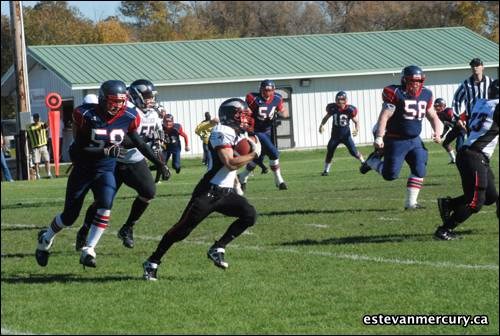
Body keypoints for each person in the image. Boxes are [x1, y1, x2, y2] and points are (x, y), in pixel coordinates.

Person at [35, 80, 170, 268]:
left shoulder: (129, 115)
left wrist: (159, 164)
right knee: (69, 216)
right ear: (102, 99)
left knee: (106, 204)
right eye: (113, 101)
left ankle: (89, 249)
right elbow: (76, 151)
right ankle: (45, 238)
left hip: (106, 170)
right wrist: (104, 151)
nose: (118, 106)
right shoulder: (86, 115)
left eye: (121, 101)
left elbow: (138, 142)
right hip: (83, 169)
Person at [142, 98, 261, 281]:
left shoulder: (240, 134)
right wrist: (253, 154)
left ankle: (218, 248)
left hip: (226, 192)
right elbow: (229, 163)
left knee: (249, 215)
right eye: (241, 115)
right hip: (208, 192)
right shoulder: (222, 130)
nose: (245, 119)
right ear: (230, 115)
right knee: (181, 231)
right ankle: (152, 262)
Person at [75, 79, 169, 251]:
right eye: (147, 96)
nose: (150, 100)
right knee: (103, 200)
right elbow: (117, 138)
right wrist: (139, 142)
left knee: (149, 192)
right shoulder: (126, 111)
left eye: (151, 96)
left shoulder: (153, 114)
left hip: (134, 160)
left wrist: (158, 152)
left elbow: (154, 136)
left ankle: (128, 227)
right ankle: (85, 229)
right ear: (135, 96)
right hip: (114, 160)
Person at [359, 65, 443, 210]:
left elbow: (433, 116)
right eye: (412, 81)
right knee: (390, 175)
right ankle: (373, 161)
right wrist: (379, 137)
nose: (416, 84)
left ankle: (411, 204)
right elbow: (385, 116)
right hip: (395, 139)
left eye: (419, 81)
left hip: (414, 139)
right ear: (404, 80)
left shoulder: (426, 94)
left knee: (420, 168)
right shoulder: (395, 92)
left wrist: (438, 132)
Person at [435, 79, 499, 240]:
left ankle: (449, 204)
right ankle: (444, 230)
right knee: (475, 202)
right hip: (474, 156)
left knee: (490, 196)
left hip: (471, 154)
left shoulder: (481, 103)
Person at [238, 79, 289, 191]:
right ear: (261, 89)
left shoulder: (277, 98)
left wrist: (280, 113)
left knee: (258, 157)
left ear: (273, 90)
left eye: (269, 90)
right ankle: (279, 181)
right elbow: (245, 112)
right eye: (265, 90)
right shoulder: (253, 98)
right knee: (274, 152)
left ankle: (242, 177)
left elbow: (284, 112)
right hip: (255, 130)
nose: (267, 92)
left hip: (268, 130)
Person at [318, 91, 365, 176]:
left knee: (353, 152)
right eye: (339, 100)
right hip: (335, 136)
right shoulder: (333, 108)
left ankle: (364, 162)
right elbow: (326, 118)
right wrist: (321, 125)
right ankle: (326, 171)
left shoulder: (349, 109)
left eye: (342, 99)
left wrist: (356, 129)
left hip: (346, 136)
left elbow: (356, 122)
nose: (340, 102)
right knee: (330, 151)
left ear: (345, 100)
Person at [453, 58, 493, 129]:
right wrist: (458, 118)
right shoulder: (466, 84)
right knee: (472, 140)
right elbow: (456, 100)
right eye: (473, 66)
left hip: (488, 118)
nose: (475, 68)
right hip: (472, 118)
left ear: (482, 67)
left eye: (477, 65)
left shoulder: (490, 82)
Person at [434, 98, 466, 164]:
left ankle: (464, 161)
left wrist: (466, 129)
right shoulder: (439, 114)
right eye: (436, 106)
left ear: (443, 106)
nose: (437, 108)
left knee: (459, 147)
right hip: (455, 129)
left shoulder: (448, 111)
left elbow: (457, 122)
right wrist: (442, 135)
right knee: (445, 144)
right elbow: (446, 126)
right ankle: (454, 160)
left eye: (439, 106)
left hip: (461, 129)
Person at [26, 113, 52, 179]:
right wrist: (29, 149)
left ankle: (48, 173)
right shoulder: (30, 127)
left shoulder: (42, 124)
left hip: (43, 146)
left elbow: (47, 124)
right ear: (33, 119)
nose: (37, 119)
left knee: (47, 160)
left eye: (38, 118)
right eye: (35, 118)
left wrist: (50, 116)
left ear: (39, 118)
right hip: (35, 147)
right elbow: (28, 138)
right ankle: (38, 175)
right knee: (36, 162)